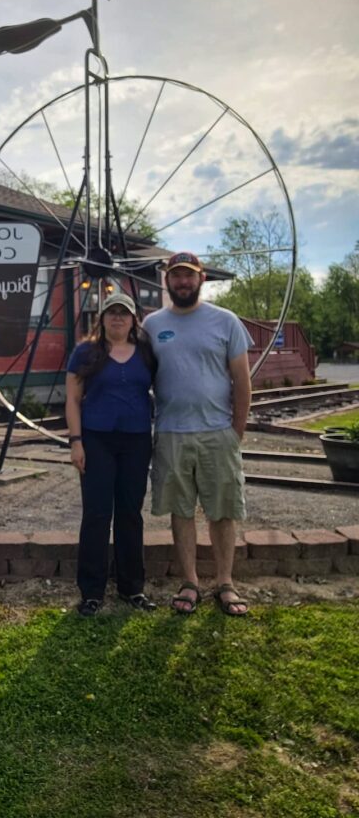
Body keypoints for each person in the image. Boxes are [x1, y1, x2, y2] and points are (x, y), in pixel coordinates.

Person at [142, 251, 253, 617]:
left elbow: (242, 381)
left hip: (217, 431)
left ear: (201, 279)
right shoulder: (153, 324)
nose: (183, 282)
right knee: (180, 510)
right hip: (172, 432)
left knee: (222, 511)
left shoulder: (225, 321)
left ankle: (225, 582)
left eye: (189, 276)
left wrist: (235, 431)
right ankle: (189, 581)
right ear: (167, 281)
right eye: (176, 276)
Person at [65, 292, 158, 616]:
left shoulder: (146, 353)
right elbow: (73, 400)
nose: (117, 317)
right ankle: (92, 591)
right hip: (96, 441)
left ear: (134, 319)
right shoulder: (85, 352)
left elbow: (162, 391)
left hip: (136, 441)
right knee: (97, 513)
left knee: (130, 514)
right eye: (111, 312)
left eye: (124, 312)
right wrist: (76, 441)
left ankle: (132, 587)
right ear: (101, 318)